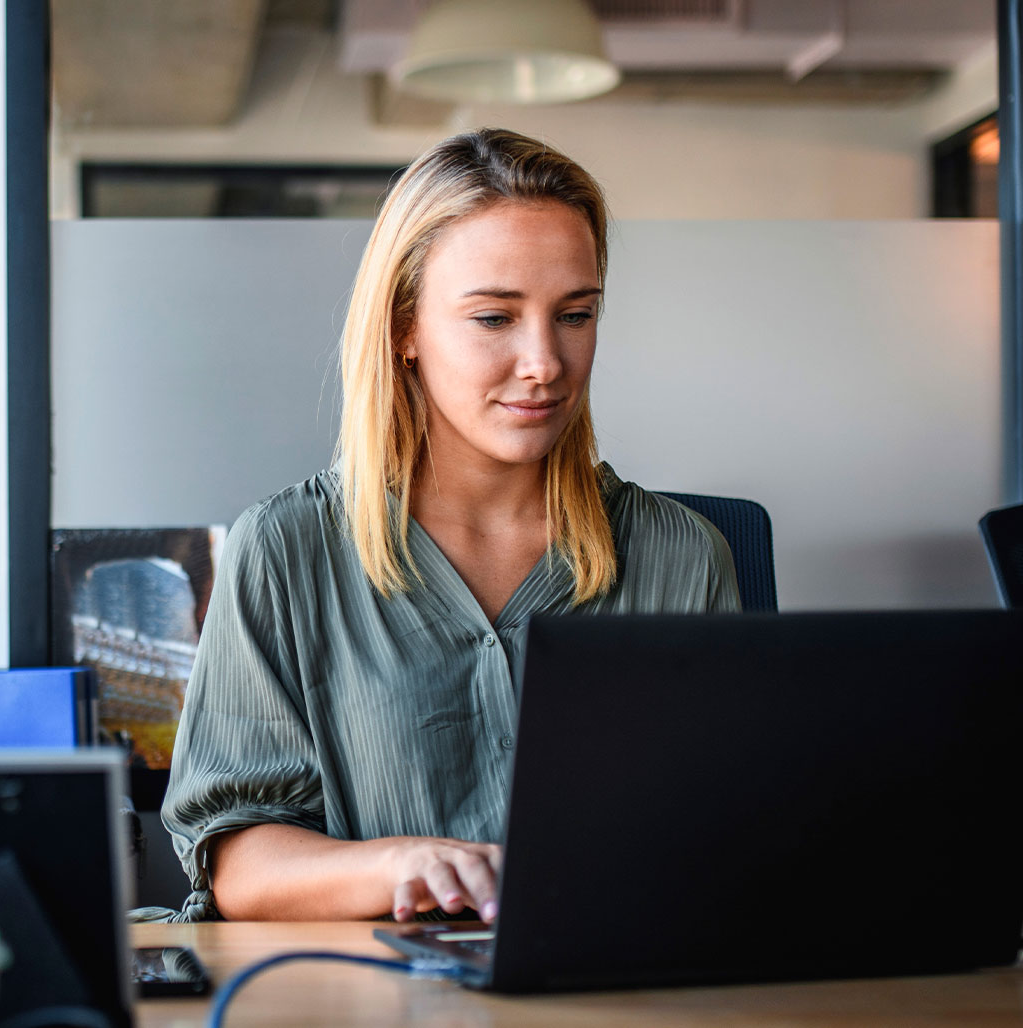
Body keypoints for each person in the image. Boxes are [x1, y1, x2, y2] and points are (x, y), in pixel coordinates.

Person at [161, 128, 740, 923]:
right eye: (495, 319)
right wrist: (407, 863)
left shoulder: (683, 556)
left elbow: (731, 833)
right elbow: (239, 863)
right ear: (406, 327)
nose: (545, 362)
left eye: (575, 314)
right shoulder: (286, 550)